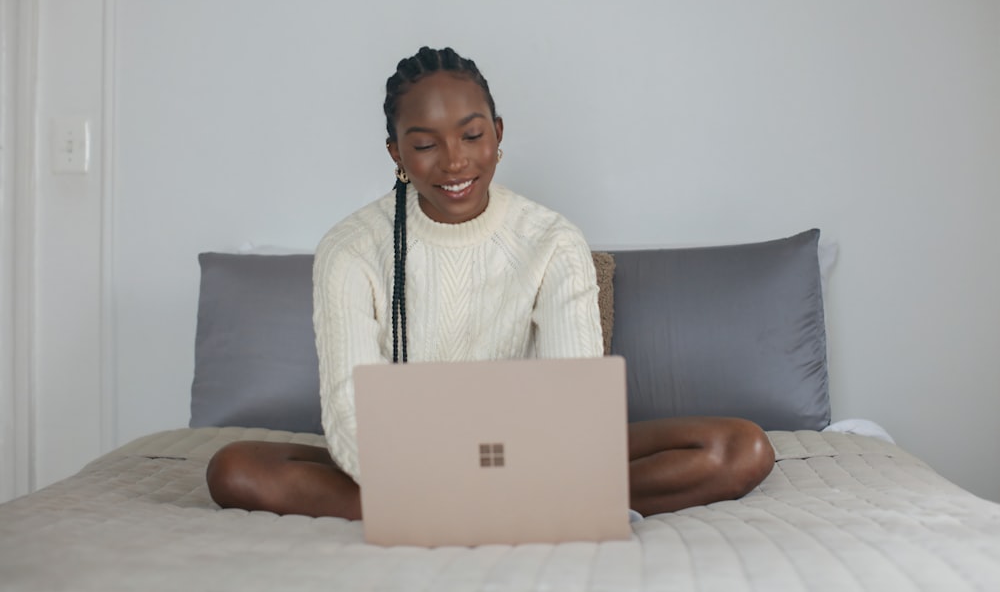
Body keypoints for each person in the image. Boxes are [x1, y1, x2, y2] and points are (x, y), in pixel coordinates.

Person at [206, 46, 775, 520]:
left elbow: (574, 403)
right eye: (425, 144)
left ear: (497, 134)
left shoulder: (552, 240)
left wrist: (512, 468)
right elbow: (350, 412)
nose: (454, 162)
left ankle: (472, 508)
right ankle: (525, 508)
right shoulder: (350, 248)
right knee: (233, 469)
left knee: (740, 449)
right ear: (396, 152)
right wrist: (434, 476)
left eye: (471, 136)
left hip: (531, 451)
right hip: (408, 455)